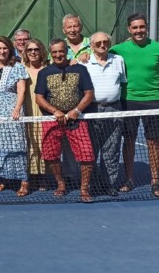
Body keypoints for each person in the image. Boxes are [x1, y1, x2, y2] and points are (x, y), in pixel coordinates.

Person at [35, 39, 95, 202]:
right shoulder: (44, 73)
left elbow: (89, 93)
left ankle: (84, 189)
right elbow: (39, 98)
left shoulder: (80, 70)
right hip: (52, 120)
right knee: (50, 154)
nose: (58, 55)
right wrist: (55, 111)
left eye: (61, 51)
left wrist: (76, 111)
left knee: (87, 154)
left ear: (66, 51)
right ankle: (60, 184)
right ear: (50, 53)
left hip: (77, 121)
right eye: (54, 52)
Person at [108, 13, 159, 195]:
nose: (139, 31)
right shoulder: (118, 50)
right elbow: (99, 55)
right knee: (128, 140)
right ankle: (129, 179)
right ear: (129, 29)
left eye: (142, 27)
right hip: (127, 101)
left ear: (146, 28)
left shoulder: (157, 48)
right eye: (135, 27)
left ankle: (155, 181)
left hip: (154, 100)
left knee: (153, 142)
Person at [0, 37, 30, 196]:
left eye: (4, 48)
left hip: (12, 112)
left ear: (10, 49)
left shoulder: (17, 67)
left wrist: (17, 109)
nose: (2, 51)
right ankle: (5, 179)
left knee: (16, 145)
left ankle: (24, 181)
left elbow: (21, 90)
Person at [84, 32, 126, 197]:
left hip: (114, 109)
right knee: (91, 150)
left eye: (105, 42)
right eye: (98, 43)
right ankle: (92, 185)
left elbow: (122, 83)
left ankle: (109, 184)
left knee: (111, 149)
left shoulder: (118, 60)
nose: (102, 45)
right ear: (92, 45)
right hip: (91, 110)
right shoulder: (85, 63)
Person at [22, 39, 50, 190]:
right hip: (27, 110)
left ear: (41, 51)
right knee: (30, 144)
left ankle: (43, 175)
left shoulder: (48, 68)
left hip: (44, 111)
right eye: (30, 50)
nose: (33, 52)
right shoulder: (21, 68)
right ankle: (32, 175)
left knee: (44, 142)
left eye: (36, 49)